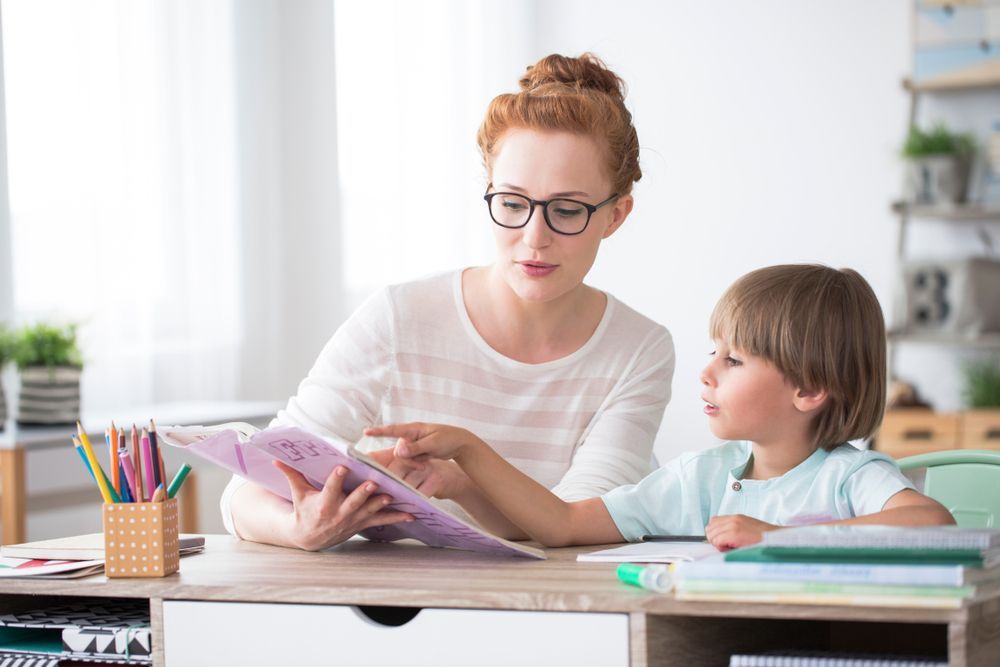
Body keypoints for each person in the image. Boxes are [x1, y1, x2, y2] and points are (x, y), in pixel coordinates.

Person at [221, 53, 675, 551]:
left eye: (567, 210)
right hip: (385, 607)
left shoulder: (638, 349)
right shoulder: (400, 317)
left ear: (616, 216)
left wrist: (464, 476)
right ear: (489, 193)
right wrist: (299, 528)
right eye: (512, 204)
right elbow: (247, 490)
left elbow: (582, 522)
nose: (534, 236)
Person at [366, 265, 956, 551]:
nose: (706, 371)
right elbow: (562, 525)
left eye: (734, 361)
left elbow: (932, 524)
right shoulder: (700, 478)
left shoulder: (851, 476)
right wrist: (466, 467)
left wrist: (774, 537)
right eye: (712, 351)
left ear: (808, 390)